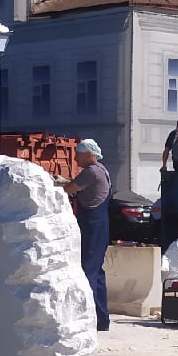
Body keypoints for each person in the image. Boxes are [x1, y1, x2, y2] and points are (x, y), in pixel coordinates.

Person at [59, 139, 112, 331]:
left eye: (78, 155)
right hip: (100, 226)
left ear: (89, 154)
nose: (75, 158)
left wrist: (58, 185)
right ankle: (101, 320)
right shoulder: (101, 170)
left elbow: (69, 189)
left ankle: (86, 319)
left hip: (92, 227)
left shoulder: (91, 172)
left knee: (87, 273)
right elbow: (77, 185)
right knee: (97, 272)